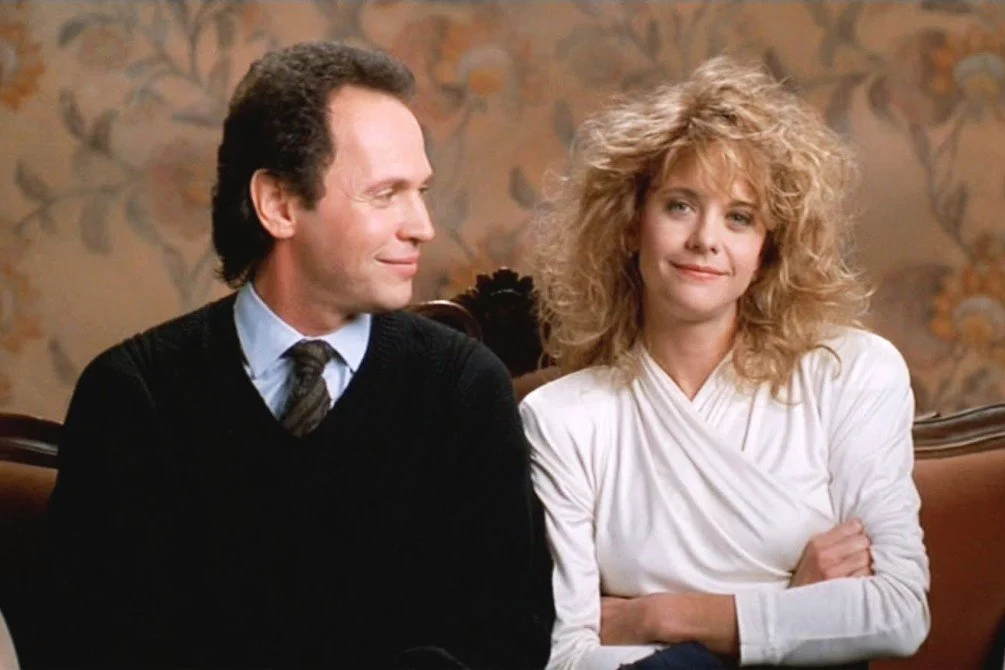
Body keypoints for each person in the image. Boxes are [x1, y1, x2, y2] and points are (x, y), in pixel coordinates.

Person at [46, 41, 553, 669]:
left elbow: (506, 640)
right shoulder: (131, 397)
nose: (422, 225)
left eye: (420, 190)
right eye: (385, 193)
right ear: (279, 204)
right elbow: (93, 646)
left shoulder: (464, 387)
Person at [520, 56, 930, 670]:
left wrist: (660, 617)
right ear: (631, 225)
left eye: (740, 218)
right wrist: (794, 608)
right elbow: (570, 657)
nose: (706, 239)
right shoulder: (562, 418)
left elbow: (896, 613)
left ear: (768, 250)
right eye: (680, 206)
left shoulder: (852, 372)